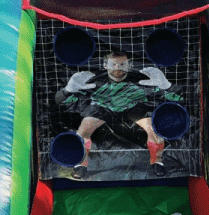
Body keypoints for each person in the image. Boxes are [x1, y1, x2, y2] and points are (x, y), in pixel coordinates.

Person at [55, 49, 182, 179]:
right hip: (102, 109)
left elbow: (180, 98)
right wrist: (67, 90)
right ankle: (80, 165)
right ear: (105, 65)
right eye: (113, 64)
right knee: (83, 130)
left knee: (153, 129)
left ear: (129, 65)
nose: (117, 68)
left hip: (133, 109)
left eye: (122, 64)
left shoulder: (142, 80)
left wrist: (167, 86)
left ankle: (157, 163)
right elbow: (59, 101)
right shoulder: (93, 81)